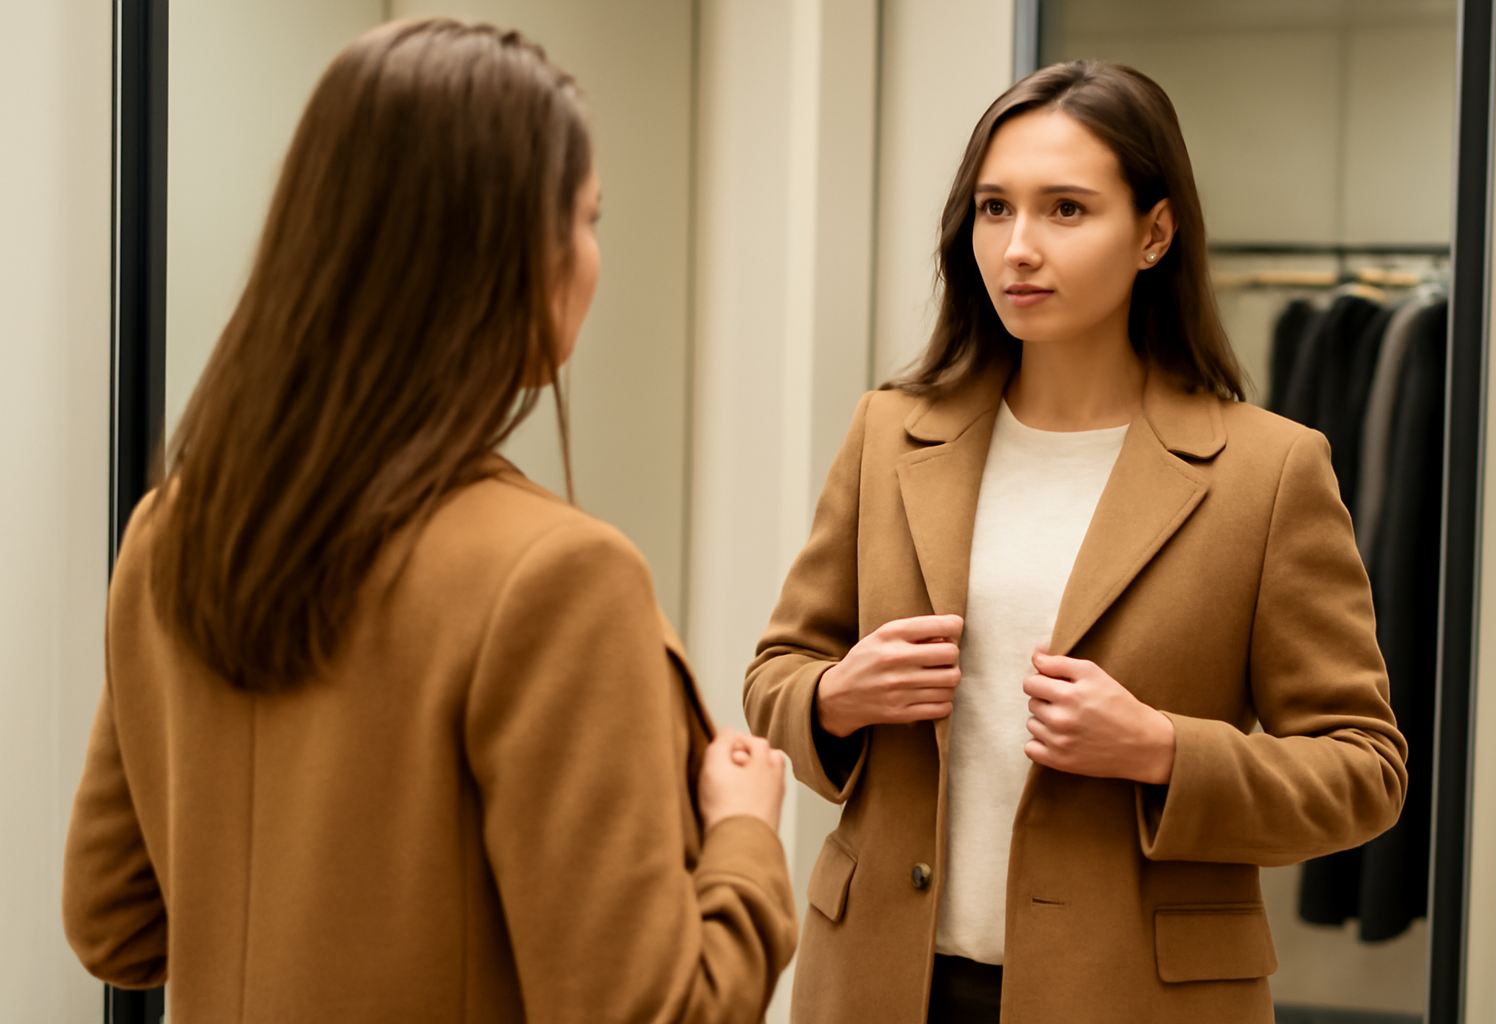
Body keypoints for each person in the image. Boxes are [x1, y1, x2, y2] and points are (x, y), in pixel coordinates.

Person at [63, 18, 795, 1023]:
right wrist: (745, 839)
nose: (592, 256)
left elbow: (115, 922)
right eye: (587, 218)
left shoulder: (171, 533)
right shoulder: (560, 577)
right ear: (509, 253)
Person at [743, 61, 1407, 1024]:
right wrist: (836, 697)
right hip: (882, 981)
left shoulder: (1268, 472)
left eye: (1065, 210)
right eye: (994, 208)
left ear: (1154, 233)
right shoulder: (888, 434)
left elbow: (1364, 770)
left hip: (1138, 996)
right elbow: (775, 674)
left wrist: (1164, 750)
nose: (1018, 248)